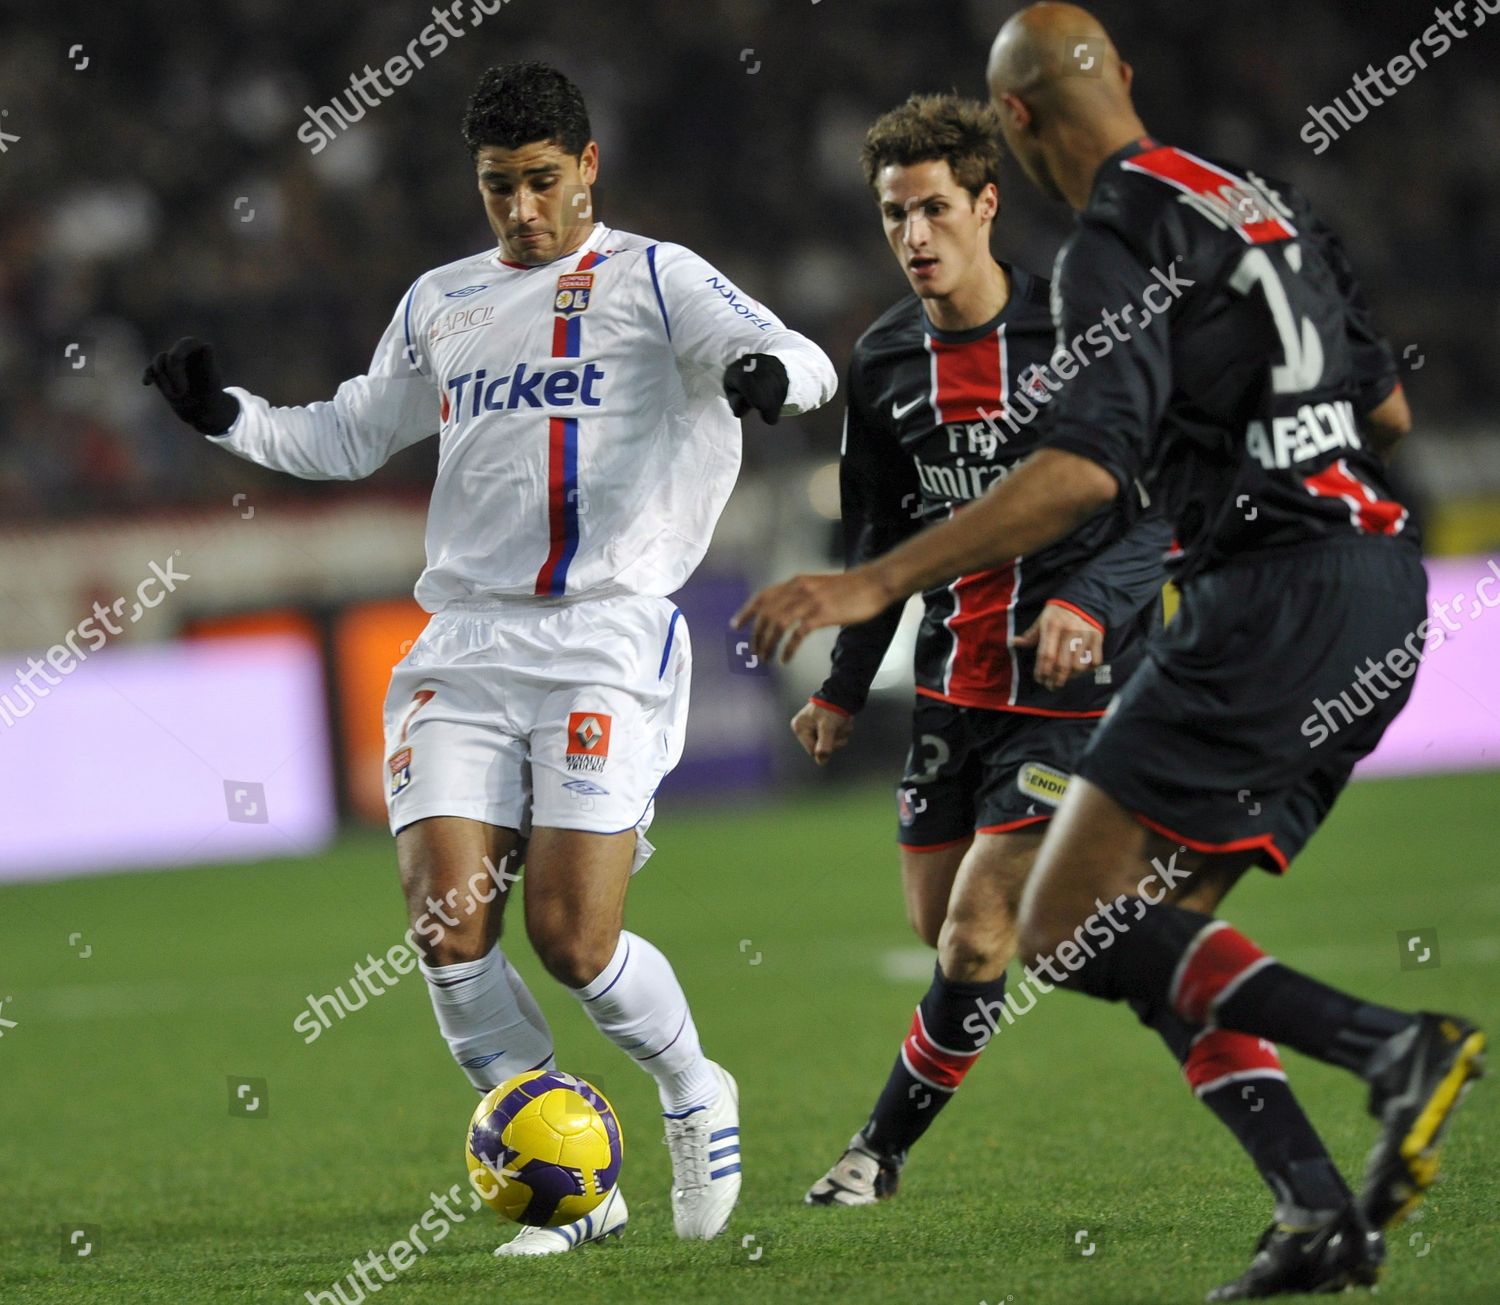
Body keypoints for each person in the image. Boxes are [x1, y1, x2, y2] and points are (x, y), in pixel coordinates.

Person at [735, 6, 1482, 1298]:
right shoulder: (1264, 204)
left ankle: (1390, 1045)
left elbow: (1085, 475)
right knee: (1151, 935)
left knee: (1053, 923)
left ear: (1012, 131)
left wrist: (876, 582)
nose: (913, 234)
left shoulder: (1112, 246)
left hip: (1257, 600)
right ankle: (1313, 1207)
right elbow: (1391, 409)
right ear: (1123, 78)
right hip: (1379, 588)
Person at [144, 60, 836, 1256]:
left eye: (541, 181)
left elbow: (794, 350)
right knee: (448, 931)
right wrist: (228, 417)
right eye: (498, 185)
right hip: (463, 645)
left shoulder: (657, 278)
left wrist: (772, 377)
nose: (521, 208)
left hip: (602, 635)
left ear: (588, 168)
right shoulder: (441, 300)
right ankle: (575, 1189)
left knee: (572, 940)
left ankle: (692, 1087)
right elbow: (352, 432)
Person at [792, 92, 1170, 1207]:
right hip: (954, 684)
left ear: (987, 204)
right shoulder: (882, 360)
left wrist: (1091, 603)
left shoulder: (1078, 329)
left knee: (972, 933)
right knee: (942, 924)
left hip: (1074, 687)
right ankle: (1142, 913)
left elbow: (1157, 509)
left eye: (935, 209)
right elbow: (879, 543)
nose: (914, 235)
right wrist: (844, 687)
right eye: (894, 214)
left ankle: (874, 1155)